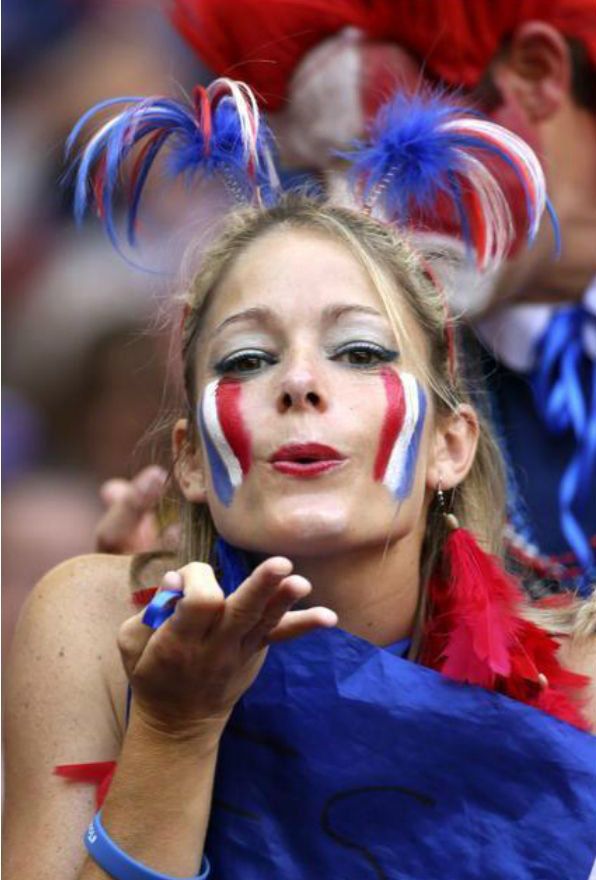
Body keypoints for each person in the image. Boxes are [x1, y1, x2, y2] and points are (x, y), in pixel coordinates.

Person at [3, 81, 596, 880]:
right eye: (249, 359)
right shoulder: (94, 626)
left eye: (359, 352)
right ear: (188, 460)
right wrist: (175, 731)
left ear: (449, 447)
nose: (299, 383)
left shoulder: (585, 679)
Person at [168, 0, 596, 593]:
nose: (351, 216)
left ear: (536, 73)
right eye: (316, 180)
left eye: (387, 153)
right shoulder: (375, 393)